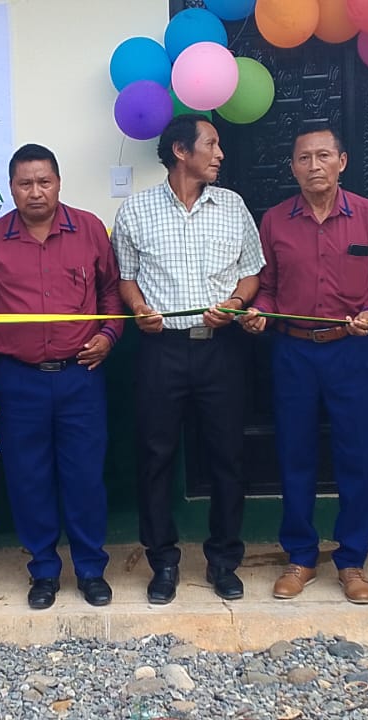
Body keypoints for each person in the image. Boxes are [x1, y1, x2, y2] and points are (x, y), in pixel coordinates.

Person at [238, 127, 368, 605]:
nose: (314, 166)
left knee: (356, 457)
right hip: (293, 353)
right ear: (292, 167)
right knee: (295, 455)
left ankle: (352, 560)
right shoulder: (274, 221)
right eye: (304, 158)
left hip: (352, 352)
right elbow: (267, 287)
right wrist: (258, 311)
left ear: (342, 161)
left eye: (323, 156)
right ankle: (301, 557)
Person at [0, 143, 124, 610]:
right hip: (18, 381)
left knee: (85, 477)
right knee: (28, 479)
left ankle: (91, 569)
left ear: (58, 183)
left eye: (44, 182)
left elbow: (111, 294)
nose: (35, 192)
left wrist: (109, 335)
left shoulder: (89, 229)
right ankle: (44, 571)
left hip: (80, 377)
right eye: (25, 183)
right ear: (11, 188)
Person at [113, 114, 264, 605]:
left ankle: (224, 561)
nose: (220, 154)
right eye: (211, 144)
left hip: (221, 349)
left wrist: (236, 304)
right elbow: (126, 279)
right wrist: (138, 309)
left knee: (228, 456)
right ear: (181, 151)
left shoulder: (233, 206)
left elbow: (251, 273)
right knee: (155, 457)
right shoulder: (135, 211)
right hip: (161, 351)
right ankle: (163, 562)